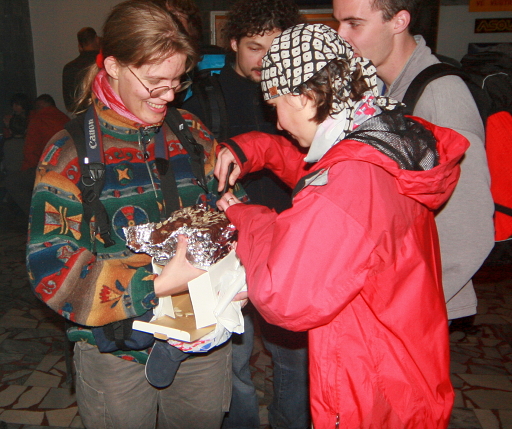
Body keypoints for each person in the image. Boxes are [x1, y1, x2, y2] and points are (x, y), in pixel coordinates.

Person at [215, 23, 467, 428]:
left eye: (275, 105)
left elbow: (281, 294)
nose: (277, 122)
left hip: (369, 388)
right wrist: (252, 148)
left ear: (305, 97)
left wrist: (247, 216)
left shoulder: (349, 181)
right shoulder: (381, 138)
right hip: (406, 364)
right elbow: (325, 173)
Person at [27, 1, 236, 428]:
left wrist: (243, 274)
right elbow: (50, 266)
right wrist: (154, 286)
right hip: (116, 356)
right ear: (114, 67)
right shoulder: (69, 151)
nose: (170, 96)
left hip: (203, 345)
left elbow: (236, 214)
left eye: (177, 81)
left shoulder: (191, 132)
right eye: (155, 82)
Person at [183, 1, 310, 428]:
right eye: (256, 48)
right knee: (233, 358)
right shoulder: (204, 97)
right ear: (234, 43)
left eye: (276, 50)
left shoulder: (300, 92)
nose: (266, 60)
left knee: (294, 357)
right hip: (230, 245)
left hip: (288, 240)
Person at [333, 0, 495, 322]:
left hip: (416, 305)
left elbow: (469, 228)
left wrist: (407, 303)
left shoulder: (440, 96)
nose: (341, 35)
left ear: (399, 22)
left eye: (354, 24)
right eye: (338, 22)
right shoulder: (378, 88)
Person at [4, 94, 69, 218]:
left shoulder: (38, 120)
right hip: (67, 167)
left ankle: (36, 216)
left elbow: (31, 151)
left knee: (12, 182)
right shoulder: (64, 118)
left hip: (48, 168)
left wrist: (26, 170)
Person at [62, 27, 100, 112]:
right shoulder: (106, 63)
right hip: (104, 115)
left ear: (80, 45)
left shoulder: (69, 68)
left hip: (81, 116)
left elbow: (69, 104)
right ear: (97, 39)